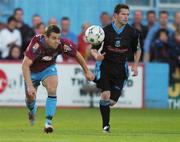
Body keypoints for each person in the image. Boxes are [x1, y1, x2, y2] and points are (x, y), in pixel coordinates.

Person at [22, 25, 94, 133]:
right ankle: (32, 110)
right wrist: (30, 86)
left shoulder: (63, 44)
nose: (57, 41)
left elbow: (77, 55)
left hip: (48, 68)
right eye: (54, 38)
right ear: (46, 37)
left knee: (52, 88)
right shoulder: (36, 44)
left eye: (58, 38)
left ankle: (48, 123)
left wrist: (87, 71)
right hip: (32, 72)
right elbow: (25, 65)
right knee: (30, 98)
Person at [90, 4, 141, 133]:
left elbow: (138, 49)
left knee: (111, 102)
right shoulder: (104, 31)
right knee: (105, 94)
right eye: (123, 14)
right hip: (105, 67)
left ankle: (106, 109)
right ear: (115, 16)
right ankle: (105, 126)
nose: (126, 17)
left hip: (120, 70)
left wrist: (135, 65)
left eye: (127, 14)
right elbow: (93, 49)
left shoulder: (133, 32)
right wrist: (97, 56)